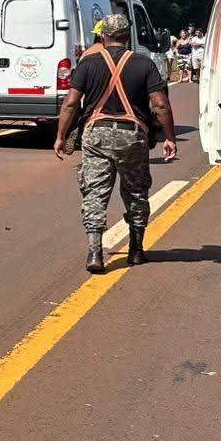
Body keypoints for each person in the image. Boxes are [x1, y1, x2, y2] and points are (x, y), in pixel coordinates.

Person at [53, 14, 178, 273]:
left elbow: (71, 103)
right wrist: (169, 137)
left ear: (102, 36)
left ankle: (95, 252)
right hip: (133, 135)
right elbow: (161, 104)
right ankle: (136, 250)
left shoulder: (88, 64)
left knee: (95, 192)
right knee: (135, 192)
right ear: (127, 36)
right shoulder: (144, 64)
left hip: (96, 134)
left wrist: (60, 136)